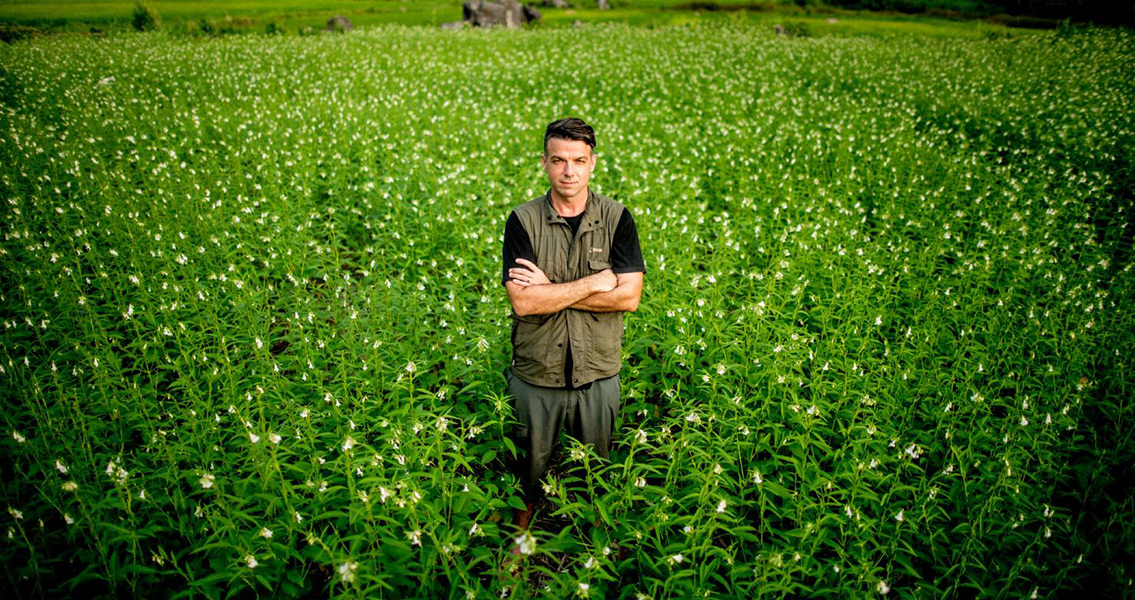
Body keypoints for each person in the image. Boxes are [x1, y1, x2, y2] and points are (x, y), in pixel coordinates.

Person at [500, 117, 645, 533]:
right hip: (537, 373)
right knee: (526, 468)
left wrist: (554, 290)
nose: (569, 171)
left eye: (579, 160)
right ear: (544, 163)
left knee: (597, 472)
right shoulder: (522, 221)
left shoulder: (618, 219)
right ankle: (521, 539)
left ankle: (594, 541)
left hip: (598, 372)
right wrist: (597, 283)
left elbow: (629, 298)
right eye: (559, 160)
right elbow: (525, 302)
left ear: (593, 163)